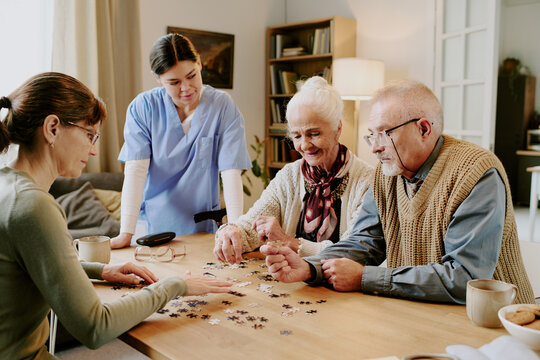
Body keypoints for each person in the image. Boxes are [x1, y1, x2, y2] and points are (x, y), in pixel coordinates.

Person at [0, 72, 232, 360]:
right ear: (52, 128)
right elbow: (95, 327)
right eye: (89, 135)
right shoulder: (34, 205)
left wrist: (99, 270)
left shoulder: (7, 187)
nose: (94, 150)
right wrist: (174, 286)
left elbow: (28, 264)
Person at [262, 79, 535, 304]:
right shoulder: (385, 175)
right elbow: (363, 243)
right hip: (424, 315)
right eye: (372, 135)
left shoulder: (477, 172)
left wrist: (364, 278)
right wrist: (310, 267)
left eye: (384, 133)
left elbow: (465, 279)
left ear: (424, 129)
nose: (374, 147)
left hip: (498, 323)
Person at [111, 33, 251, 248]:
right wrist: (125, 234)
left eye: (192, 75)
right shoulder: (143, 108)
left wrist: (235, 228)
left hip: (201, 227)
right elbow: (135, 170)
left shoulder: (222, 106)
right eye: (174, 82)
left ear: (200, 64)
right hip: (152, 225)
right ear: (157, 78)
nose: (186, 88)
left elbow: (231, 171)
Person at [214, 76, 373, 264]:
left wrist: (288, 241)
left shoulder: (367, 180)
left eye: (314, 134)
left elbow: (354, 252)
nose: (304, 145)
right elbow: (251, 227)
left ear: (337, 128)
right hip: (292, 283)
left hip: (343, 288)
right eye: (296, 136)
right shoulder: (289, 175)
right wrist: (231, 231)